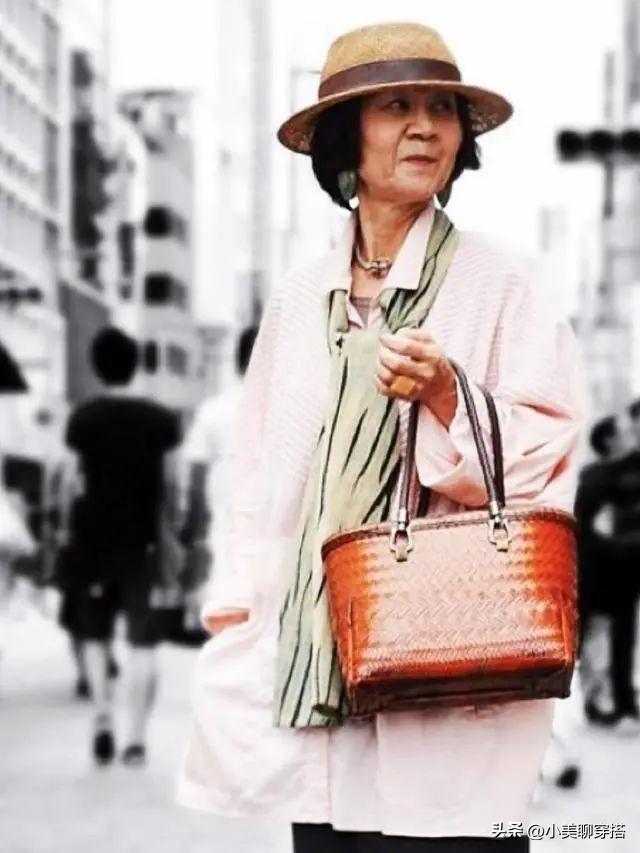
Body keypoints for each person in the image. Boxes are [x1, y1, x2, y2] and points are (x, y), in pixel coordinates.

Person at [178, 23, 585, 851]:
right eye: (396, 106)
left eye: (442, 109)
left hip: (455, 677)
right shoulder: (301, 300)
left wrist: (446, 395)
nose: (426, 128)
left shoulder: (502, 282)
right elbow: (256, 476)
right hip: (320, 683)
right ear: (345, 138)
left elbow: (549, 456)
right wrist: (239, 608)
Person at [64, 327, 180, 766]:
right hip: (142, 545)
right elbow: (173, 486)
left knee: (95, 636)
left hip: (92, 542)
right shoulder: (160, 420)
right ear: (136, 365)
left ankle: (102, 717)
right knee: (142, 643)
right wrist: (173, 537)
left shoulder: (83, 420)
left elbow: (70, 483)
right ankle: (135, 739)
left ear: (97, 367)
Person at [179, 326, 259, 599]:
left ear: (237, 363)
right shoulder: (296, 417)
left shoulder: (212, 413)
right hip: (280, 552)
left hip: (225, 546)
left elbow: (196, 483)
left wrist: (191, 535)